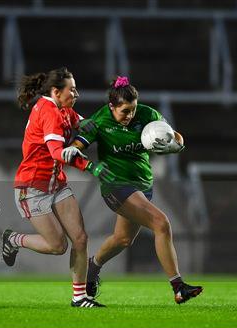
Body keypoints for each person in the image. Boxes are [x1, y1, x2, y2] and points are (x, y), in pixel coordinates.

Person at [64, 76, 203, 304]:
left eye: (133, 109)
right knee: (162, 223)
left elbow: (176, 137)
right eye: (125, 111)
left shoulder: (148, 115)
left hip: (142, 186)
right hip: (115, 185)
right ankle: (178, 287)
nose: (130, 115)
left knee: (122, 239)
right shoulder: (100, 120)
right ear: (112, 107)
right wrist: (72, 150)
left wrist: (174, 145)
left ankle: (92, 267)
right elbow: (78, 145)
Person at [1, 67, 112, 308]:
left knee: (80, 239)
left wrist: (101, 123)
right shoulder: (49, 111)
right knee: (58, 246)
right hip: (32, 186)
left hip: (56, 183)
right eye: (72, 90)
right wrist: (92, 167)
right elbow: (57, 153)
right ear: (55, 91)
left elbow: (84, 123)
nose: (77, 94)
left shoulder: (62, 108)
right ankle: (13, 239)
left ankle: (79, 298)